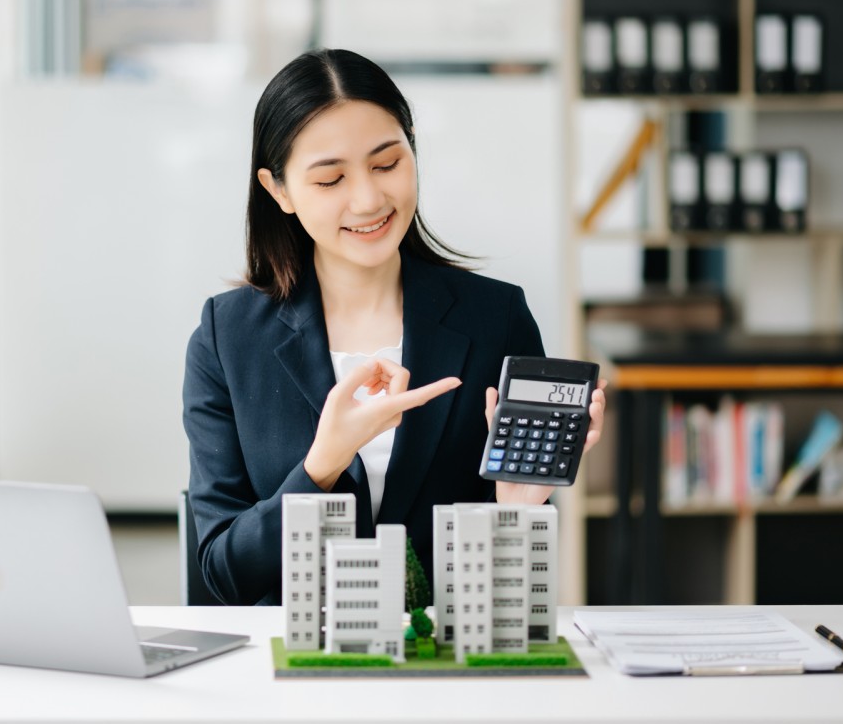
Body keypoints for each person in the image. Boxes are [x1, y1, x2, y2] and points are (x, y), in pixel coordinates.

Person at [183, 48, 606, 606]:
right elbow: (223, 573)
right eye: (330, 179)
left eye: (387, 164)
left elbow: (514, 600)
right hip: (291, 674)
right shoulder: (227, 337)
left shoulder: (496, 318)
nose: (368, 199)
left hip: (448, 670)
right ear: (279, 190)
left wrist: (517, 511)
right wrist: (322, 465)